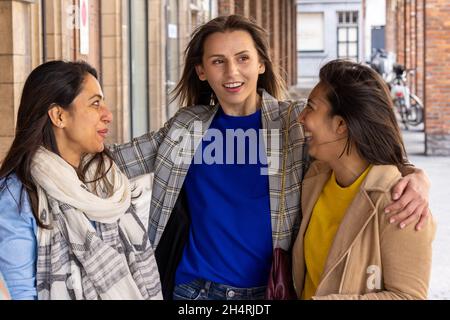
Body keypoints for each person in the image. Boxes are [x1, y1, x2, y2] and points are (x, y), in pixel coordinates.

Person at [111, 15, 431, 300]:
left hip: (270, 289)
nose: (232, 71)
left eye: (243, 58)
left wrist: (415, 176)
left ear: (261, 64)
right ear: (201, 70)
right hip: (194, 289)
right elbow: (113, 163)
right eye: (218, 61)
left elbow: (359, 139)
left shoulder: (294, 123)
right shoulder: (185, 127)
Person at [0, 61, 162, 300]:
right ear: (59, 116)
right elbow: (20, 293)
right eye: (95, 103)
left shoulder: (107, 182)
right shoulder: (17, 193)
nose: (108, 115)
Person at [292, 60, 436, 300]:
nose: (301, 118)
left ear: (340, 125)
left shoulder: (402, 204)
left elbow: (408, 296)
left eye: (310, 108)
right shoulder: (315, 177)